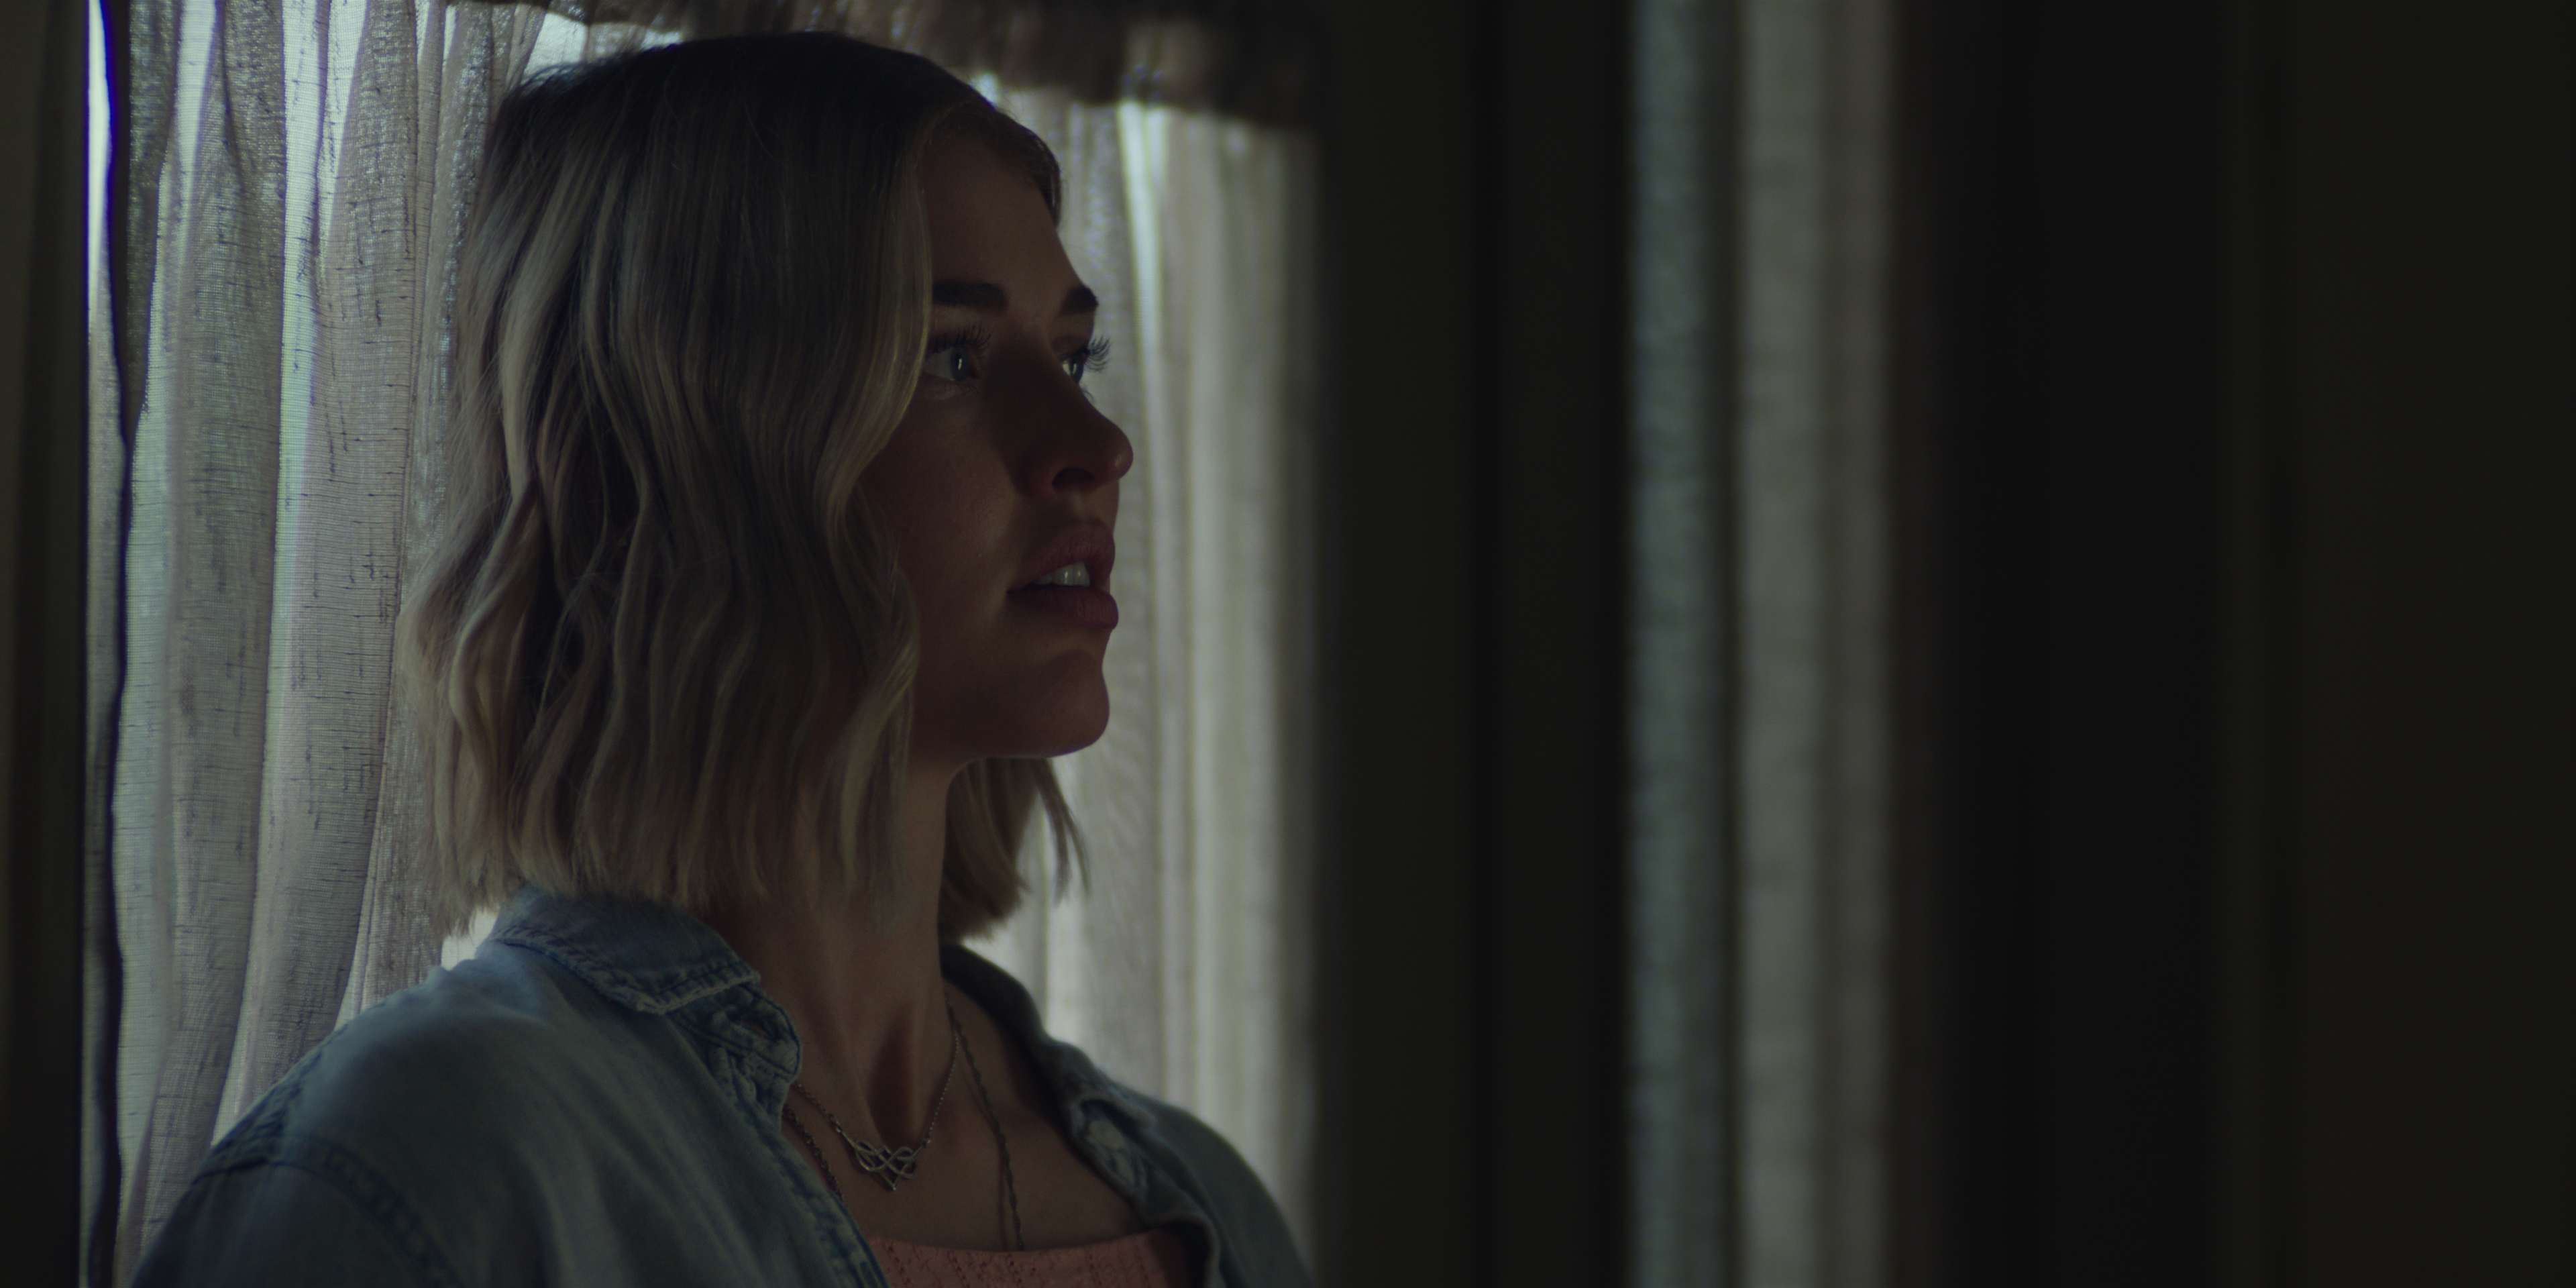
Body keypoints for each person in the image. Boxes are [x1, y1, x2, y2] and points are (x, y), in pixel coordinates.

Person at [132, 33, 1305, 1288]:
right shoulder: (431, 1176)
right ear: (683, 457)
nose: (1097, 445)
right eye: (949, 357)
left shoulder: (1206, 1209)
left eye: (1073, 357)